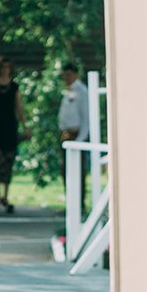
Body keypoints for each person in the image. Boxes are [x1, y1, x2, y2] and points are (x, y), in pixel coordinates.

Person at [0, 56, 29, 213]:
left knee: (8, 160)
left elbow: (19, 108)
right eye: (2, 67)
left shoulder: (14, 87)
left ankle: (5, 195)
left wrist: (25, 127)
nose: (5, 69)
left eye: (7, 67)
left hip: (10, 126)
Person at [57, 63, 90, 209]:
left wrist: (81, 139)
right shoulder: (68, 90)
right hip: (66, 134)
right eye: (65, 75)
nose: (66, 78)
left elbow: (86, 116)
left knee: (78, 170)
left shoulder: (81, 91)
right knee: (65, 170)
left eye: (69, 74)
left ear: (76, 74)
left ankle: (80, 204)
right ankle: (70, 203)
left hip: (77, 134)